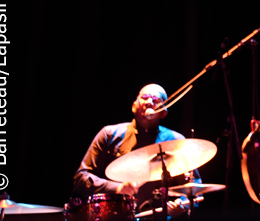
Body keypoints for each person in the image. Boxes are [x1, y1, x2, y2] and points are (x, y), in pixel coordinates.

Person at [72, 84, 201, 218]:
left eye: (156, 100)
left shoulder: (175, 141)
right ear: (134, 106)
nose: (150, 102)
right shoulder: (109, 134)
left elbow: (194, 187)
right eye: (145, 97)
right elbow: (81, 178)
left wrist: (182, 204)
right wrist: (115, 188)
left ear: (163, 112)